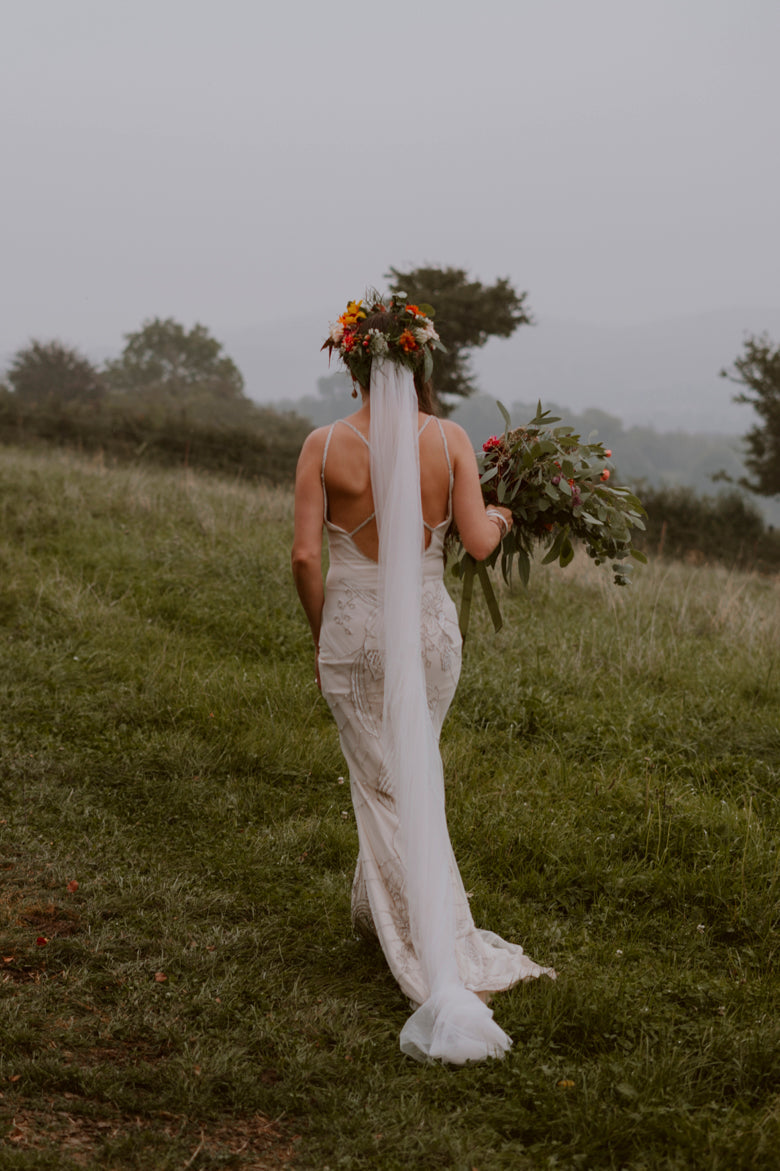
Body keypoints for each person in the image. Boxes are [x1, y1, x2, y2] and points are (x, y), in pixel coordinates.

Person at [292, 293, 555, 1064]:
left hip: (352, 629)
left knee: (380, 782)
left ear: (352, 364)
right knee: (413, 772)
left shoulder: (323, 444)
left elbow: (306, 557)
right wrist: (506, 517)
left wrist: (322, 637)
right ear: (419, 360)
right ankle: (387, 913)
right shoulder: (449, 440)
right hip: (432, 633)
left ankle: (424, 951)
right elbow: (476, 543)